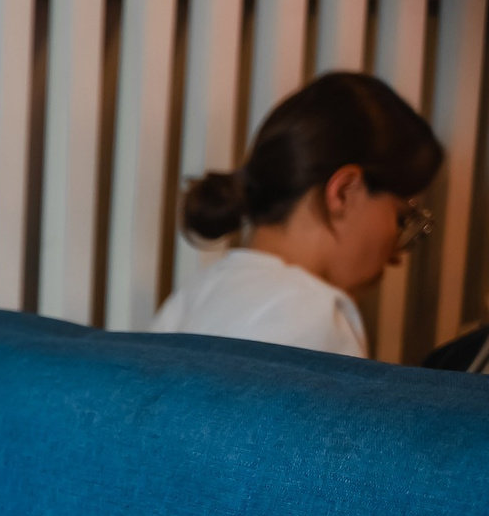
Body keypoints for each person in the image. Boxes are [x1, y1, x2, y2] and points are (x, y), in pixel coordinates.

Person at [152, 72, 443, 357]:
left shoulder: (194, 294)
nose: (396, 256)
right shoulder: (316, 318)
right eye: (401, 218)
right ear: (345, 192)